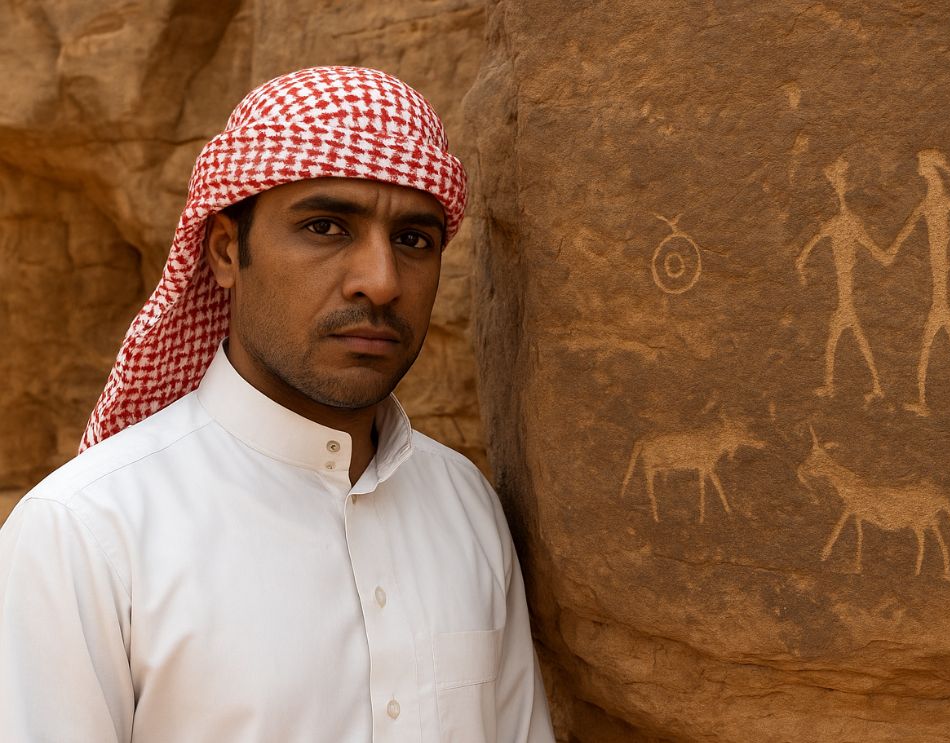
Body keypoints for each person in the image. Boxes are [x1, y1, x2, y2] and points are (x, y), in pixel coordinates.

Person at [0, 66, 554, 742]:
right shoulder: (86, 533)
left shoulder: (465, 505)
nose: (380, 282)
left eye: (413, 239)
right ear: (227, 251)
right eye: (326, 227)